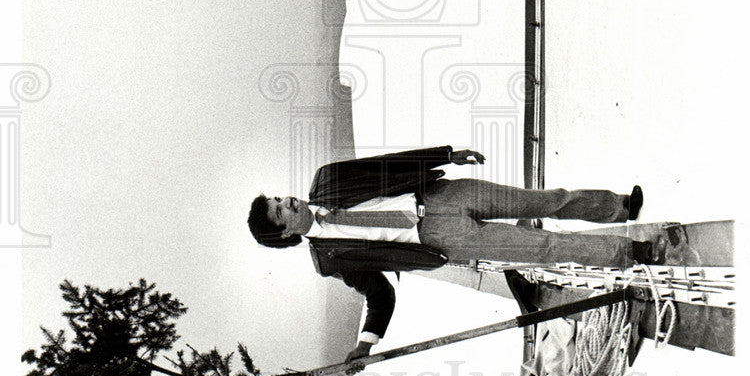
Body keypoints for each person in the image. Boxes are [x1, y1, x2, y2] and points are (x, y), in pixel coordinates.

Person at [247, 145, 655, 363]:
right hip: (441, 238)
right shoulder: (329, 258)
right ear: (284, 234)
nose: (290, 202)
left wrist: (445, 155)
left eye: (282, 198)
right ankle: (629, 252)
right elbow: (379, 293)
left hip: (440, 194)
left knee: (540, 201)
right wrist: (367, 342)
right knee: (542, 248)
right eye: (281, 211)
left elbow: (389, 164)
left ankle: (617, 206)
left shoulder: (327, 179)